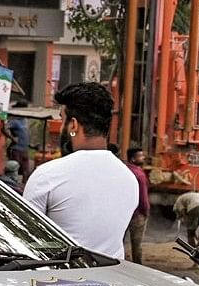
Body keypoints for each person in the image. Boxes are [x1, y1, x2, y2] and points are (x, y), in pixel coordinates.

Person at [22, 82, 137, 259]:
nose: (61, 128)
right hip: (112, 281)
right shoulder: (129, 179)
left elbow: (25, 240)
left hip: (57, 281)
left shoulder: (48, 176)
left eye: (62, 120)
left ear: (73, 126)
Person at [123, 147, 151, 264]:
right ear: (133, 159)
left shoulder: (123, 170)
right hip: (137, 214)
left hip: (123, 212)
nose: (143, 158)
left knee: (119, 241)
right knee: (137, 244)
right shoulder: (140, 174)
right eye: (140, 156)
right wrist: (146, 211)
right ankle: (137, 266)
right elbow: (143, 196)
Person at [4, 101, 31, 176]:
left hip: (25, 149)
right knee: (14, 169)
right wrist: (13, 138)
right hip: (16, 149)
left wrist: (31, 145)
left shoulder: (24, 120)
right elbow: (4, 128)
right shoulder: (14, 121)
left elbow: (25, 134)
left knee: (26, 171)